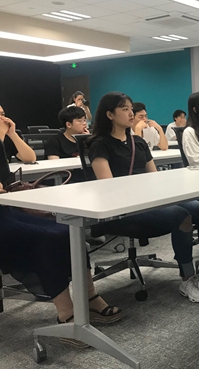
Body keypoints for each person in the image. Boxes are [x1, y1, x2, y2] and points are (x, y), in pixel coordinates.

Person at [88, 92, 199, 303]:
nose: (131, 113)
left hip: (149, 198)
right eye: (124, 109)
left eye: (131, 109)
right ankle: (187, 278)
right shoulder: (100, 144)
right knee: (181, 215)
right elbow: (108, 186)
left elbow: (154, 177)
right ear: (109, 114)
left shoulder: (138, 143)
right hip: (124, 207)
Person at [0, 141, 121, 348]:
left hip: (6, 209)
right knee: (45, 238)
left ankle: (90, 298)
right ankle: (66, 313)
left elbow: (8, 179)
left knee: (69, 229)